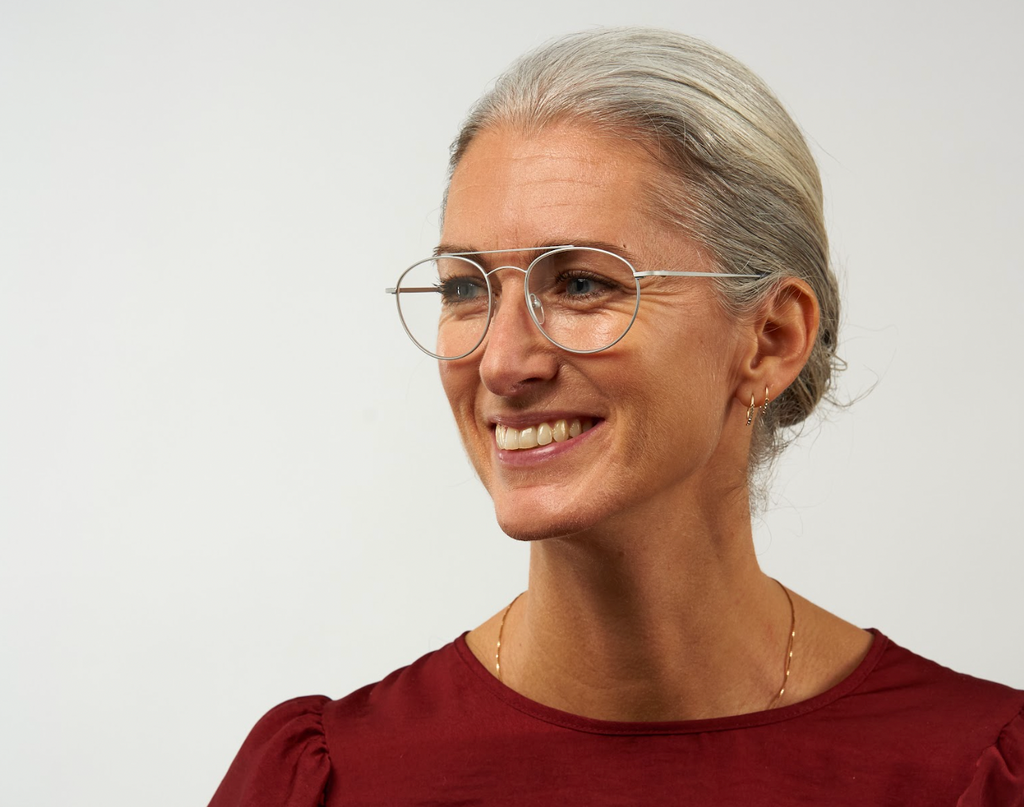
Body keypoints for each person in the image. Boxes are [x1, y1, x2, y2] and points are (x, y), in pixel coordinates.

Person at [208, 28, 1023, 806]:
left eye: (583, 284)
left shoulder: (969, 771)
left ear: (772, 340)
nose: (500, 361)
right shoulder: (332, 782)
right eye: (467, 289)